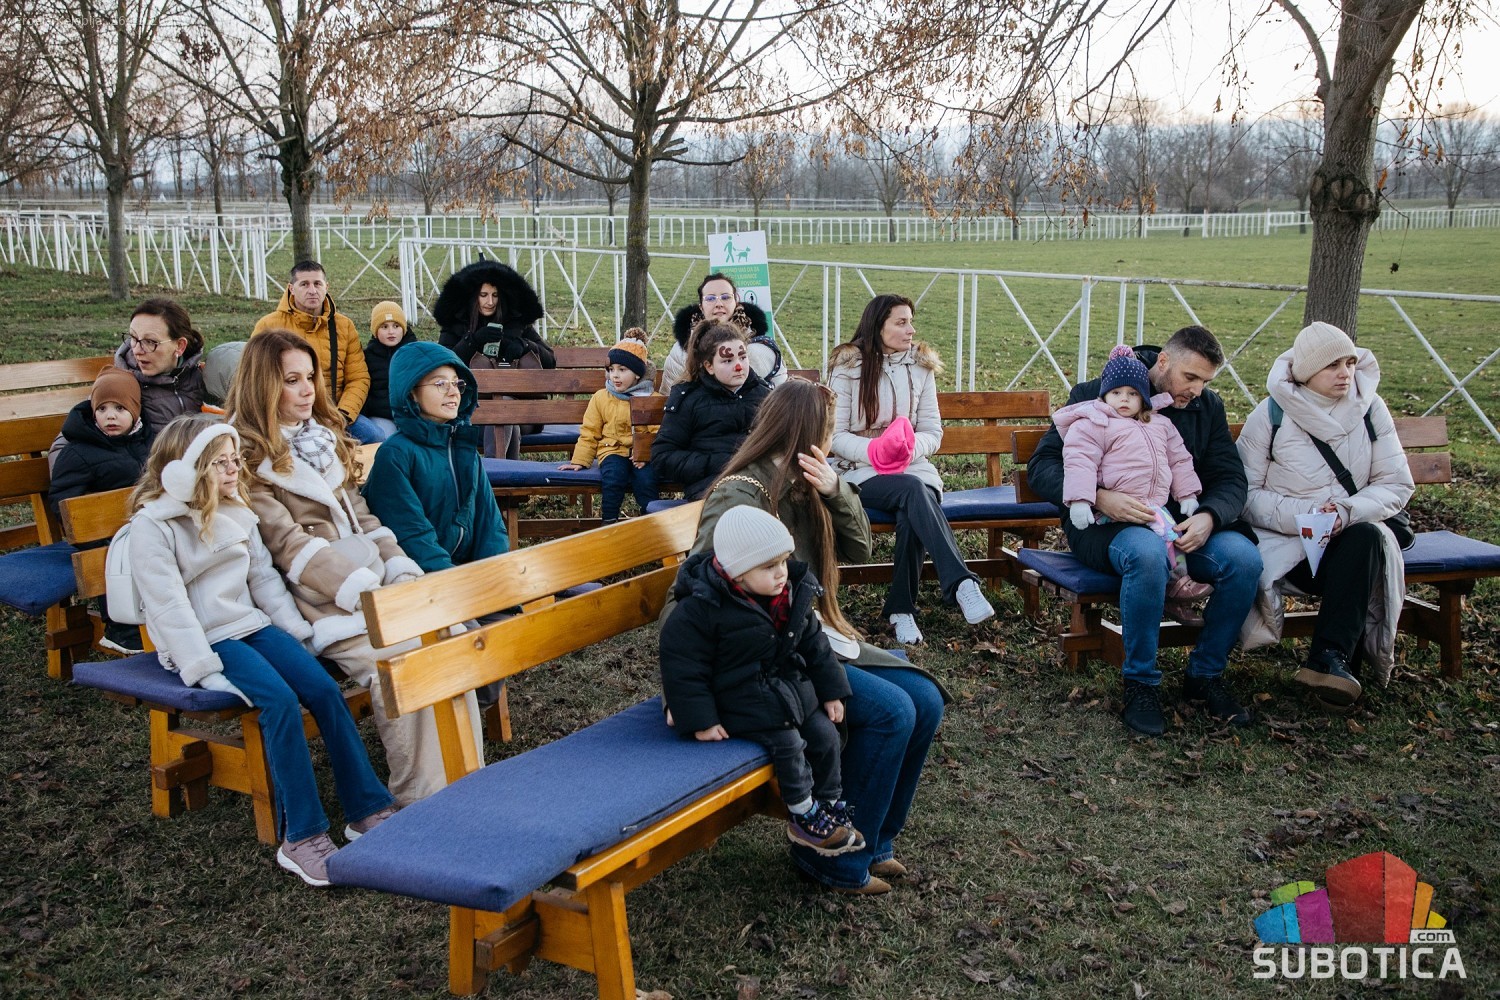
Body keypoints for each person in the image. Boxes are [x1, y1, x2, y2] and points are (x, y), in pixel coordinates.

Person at [678, 377, 948, 896]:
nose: (831, 441)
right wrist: (686, 693)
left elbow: (861, 548)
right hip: (767, 656)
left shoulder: (808, 479)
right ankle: (833, 861)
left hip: (812, 637)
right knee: (894, 711)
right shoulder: (742, 494)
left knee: (926, 699)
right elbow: (692, 589)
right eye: (827, 430)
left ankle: (874, 841)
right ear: (806, 433)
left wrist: (835, 490)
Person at [123, 415, 396, 886]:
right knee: (280, 702)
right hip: (209, 639)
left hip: (253, 626)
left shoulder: (236, 510)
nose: (234, 470)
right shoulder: (153, 526)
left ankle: (366, 807)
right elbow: (168, 607)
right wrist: (204, 668)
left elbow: (263, 579)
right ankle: (303, 836)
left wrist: (296, 634)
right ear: (185, 470)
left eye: (235, 460)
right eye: (220, 463)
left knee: (323, 690)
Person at [224, 329, 480, 805]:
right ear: (263, 385)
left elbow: (364, 518)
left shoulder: (321, 439)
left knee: (451, 638)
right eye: (292, 381)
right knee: (402, 663)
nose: (307, 390)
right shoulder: (247, 458)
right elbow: (287, 545)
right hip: (322, 601)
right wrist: (364, 591)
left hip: (373, 581)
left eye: (311, 377)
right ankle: (420, 800)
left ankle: (466, 780)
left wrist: (399, 569)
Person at [1028, 326, 1262, 736]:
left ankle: (1205, 674)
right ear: (1164, 361)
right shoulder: (1097, 394)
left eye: (1206, 381)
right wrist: (1099, 497)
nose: (1197, 390)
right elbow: (1043, 467)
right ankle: (1141, 683)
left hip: (1181, 524)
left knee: (1244, 560)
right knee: (1147, 555)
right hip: (1110, 526)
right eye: (1191, 377)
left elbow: (1229, 476)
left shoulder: (1205, 407)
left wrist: (1209, 516)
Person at [660, 506, 862, 857]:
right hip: (736, 700)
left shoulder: (790, 595)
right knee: (788, 744)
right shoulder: (702, 609)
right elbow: (683, 666)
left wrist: (832, 691)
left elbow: (815, 645)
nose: (781, 572)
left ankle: (828, 803)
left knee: (826, 735)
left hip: (785, 691)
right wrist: (700, 720)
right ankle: (802, 815)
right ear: (738, 572)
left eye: (783, 561)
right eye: (769, 566)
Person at [1236, 322, 1414, 705]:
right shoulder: (1271, 414)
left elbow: (1396, 484)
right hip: (1289, 545)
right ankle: (1337, 666)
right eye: (1332, 365)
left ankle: (1329, 660)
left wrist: (1345, 512)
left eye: (1349, 362)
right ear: (1306, 372)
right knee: (1360, 552)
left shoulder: (1371, 409)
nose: (1345, 373)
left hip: (1350, 539)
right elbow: (1245, 495)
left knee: (1366, 538)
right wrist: (1310, 515)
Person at [827, 294, 995, 646]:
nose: (911, 330)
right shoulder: (848, 367)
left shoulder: (920, 366)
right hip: (859, 471)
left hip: (912, 466)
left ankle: (901, 610)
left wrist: (905, 450)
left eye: (911, 322)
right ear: (879, 326)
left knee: (912, 506)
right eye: (901, 323)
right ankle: (961, 582)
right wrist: (876, 451)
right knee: (913, 492)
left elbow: (932, 430)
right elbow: (835, 435)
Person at [1057, 344, 1211, 620]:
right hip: (1112, 511)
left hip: (1152, 507)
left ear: (1144, 398)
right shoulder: (1095, 423)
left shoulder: (1160, 424)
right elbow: (1080, 461)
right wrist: (1083, 500)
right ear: (1104, 395)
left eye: (1133, 394)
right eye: (1116, 393)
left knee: (1173, 538)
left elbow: (1179, 460)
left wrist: (1187, 494)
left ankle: (1175, 589)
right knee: (1160, 543)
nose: (1124, 400)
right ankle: (1176, 585)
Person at [48, 368, 156, 655]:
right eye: (102, 409)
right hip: (100, 535)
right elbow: (63, 498)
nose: (110, 416)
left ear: (135, 411)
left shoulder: (150, 442)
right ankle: (122, 630)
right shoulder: (79, 452)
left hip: (145, 524)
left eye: (120, 408)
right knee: (116, 557)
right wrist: (89, 533)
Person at [51, 299, 208, 472]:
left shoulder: (205, 378)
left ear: (180, 346)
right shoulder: (121, 385)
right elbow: (63, 445)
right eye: (134, 338)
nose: (137, 350)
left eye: (150, 342)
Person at [433, 258, 554, 460]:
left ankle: (494, 474)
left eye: (495, 295)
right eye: (484, 295)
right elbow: (442, 364)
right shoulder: (457, 325)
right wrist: (472, 341)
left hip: (524, 410)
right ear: (474, 296)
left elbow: (551, 361)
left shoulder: (516, 323)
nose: (490, 302)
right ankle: (507, 478)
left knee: (504, 410)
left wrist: (525, 345)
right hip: (473, 411)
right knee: (505, 419)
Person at [251, 260, 378, 444]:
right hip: (287, 414)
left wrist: (342, 415)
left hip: (334, 411)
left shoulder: (344, 326)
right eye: (304, 284)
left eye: (317, 284)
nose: (312, 290)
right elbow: (257, 377)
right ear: (291, 289)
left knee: (375, 437)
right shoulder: (268, 325)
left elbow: (358, 378)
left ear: (326, 287)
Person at [651, 321, 771, 500]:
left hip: (760, 484)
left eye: (742, 357)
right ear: (709, 366)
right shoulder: (689, 399)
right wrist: (714, 463)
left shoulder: (765, 395)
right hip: (711, 489)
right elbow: (663, 456)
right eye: (727, 360)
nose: (739, 366)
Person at [556, 329, 660, 524]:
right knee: (613, 477)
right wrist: (580, 460)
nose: (615, 375)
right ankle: (609, 521)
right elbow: (590, 431)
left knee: (646, 480)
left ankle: (651, 523)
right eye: (611, 369)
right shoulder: (601, 398)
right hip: (611, 450)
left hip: (640, 455)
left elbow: (659, 433)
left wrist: (646, 454)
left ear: (637, 374)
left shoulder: (649, 400)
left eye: (622, 370)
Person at [663, 273, 783, 390]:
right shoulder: (681, 352)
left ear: (736, 301)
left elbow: (780, 395)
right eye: (710, 298)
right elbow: (671, 395)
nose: (719, 304)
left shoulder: (761, 348)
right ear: (701, 307)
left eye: (726, 297)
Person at [360, 300, 417, 441]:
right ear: (375, 331)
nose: (391, 332)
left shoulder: (416, 352)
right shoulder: (367, 357)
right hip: (382, 415)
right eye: (384, 327)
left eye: (396, 326)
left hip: (412, 414)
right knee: (387, 439)